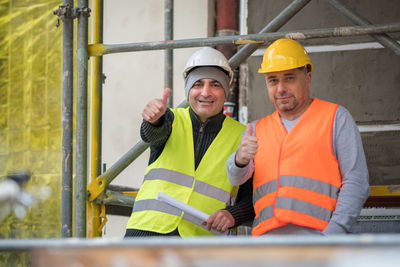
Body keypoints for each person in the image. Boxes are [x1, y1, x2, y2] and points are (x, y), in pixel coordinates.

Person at [227, 38, 370, 236]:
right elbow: (234, 179)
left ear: (308, 78)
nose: (281, 89)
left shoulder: (336, 118)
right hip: (267, 244)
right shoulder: (255, 129)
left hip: (318, 239)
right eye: (273, 80)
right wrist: (239, 159)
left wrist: (333, 234)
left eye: (289, 78)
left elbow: (356, 182)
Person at [125, 47, 254, 237]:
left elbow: (252, 197)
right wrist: (152, 120)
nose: (205, 92)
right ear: (188, 89)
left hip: (200, 242)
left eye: (215, 85)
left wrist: (233, 215)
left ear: (226, 90)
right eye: (198, 84)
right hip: (146, 234)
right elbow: (153, 135)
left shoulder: (243, 137)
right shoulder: (169, 119)